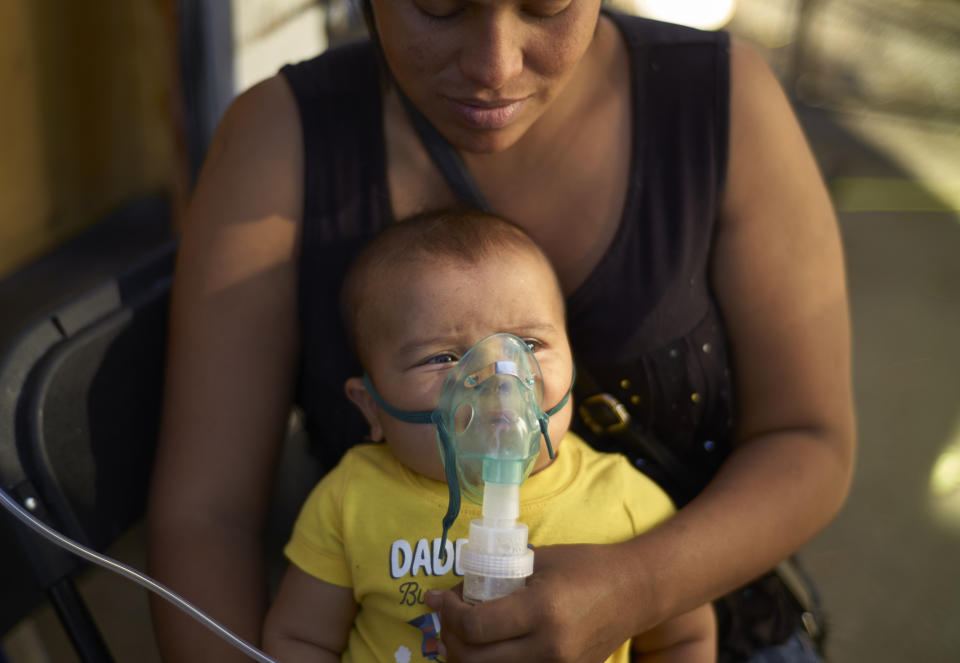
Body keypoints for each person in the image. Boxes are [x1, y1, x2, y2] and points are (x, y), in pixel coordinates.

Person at [148, 2, 855, 662]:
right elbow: (206, 515)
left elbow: (809, 440)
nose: (495, 66)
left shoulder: (721, 104)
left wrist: (640, 587)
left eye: (545, 6)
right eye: (439, 6)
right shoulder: (280, 143)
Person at [261, 209, 716, 662]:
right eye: (442, 357)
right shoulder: (351, 501)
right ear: (371, 407)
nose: (500, 380)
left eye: (530, 345)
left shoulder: (624, 503)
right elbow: (302, 640)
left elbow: (682, 639)